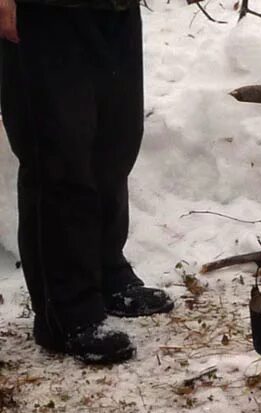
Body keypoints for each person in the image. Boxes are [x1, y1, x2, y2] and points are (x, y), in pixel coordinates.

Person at [0, 0, 172, 364]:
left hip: (112, 8)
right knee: (58, 155)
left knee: (115, 142)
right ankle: (65, 312)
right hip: (42, 12)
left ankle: (107, 274)